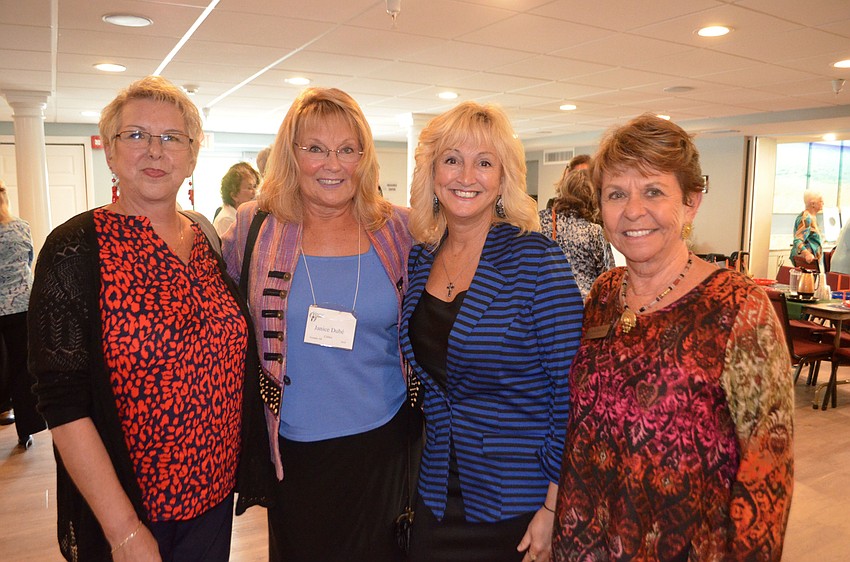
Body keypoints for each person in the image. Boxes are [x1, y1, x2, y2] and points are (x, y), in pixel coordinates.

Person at [28, 75, 269, 561]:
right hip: (131, 507)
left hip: (213, 497)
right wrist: (125, 531)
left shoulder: (205, 241)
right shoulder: (76, 247)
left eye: (171, 138)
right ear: (110, 152)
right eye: (136, 135)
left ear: (192, 156)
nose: (155, 151)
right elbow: (62, 400)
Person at [551, 113, 794, 561]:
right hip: (582, 540)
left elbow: (768, 468)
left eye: (654, 191)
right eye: (617, 194)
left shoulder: (737, 308)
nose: (633, 211)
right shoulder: (604, 294)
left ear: (691, 203)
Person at [222, 86, 415, 562]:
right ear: (292, 155)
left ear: (364, 159)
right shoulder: (255, 227)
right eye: (315, 149)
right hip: (292, 449)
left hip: (385, 444)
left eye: (347, 150)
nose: (333, 164)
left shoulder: (400, 230)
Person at [399, 101, 584, 562]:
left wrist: (552, 505)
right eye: (452, 159)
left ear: (503, 178)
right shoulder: (421, 257)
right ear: (432, 173)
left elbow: (571, 392)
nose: (466, 176)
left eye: (484, 162)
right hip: (436, 490)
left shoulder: (537, 261)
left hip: (517, 501)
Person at [0, 180, 46, 449]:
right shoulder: (21, 226)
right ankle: (25, 430)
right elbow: (28, 261)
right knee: (21, 369)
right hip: (21, 306)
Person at [539, 169, 614, 299]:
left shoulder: (540, 220)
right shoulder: (593, 231)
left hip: (546, 301)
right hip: (583, 306)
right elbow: (608, 277)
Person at [213, 162, 260, 236]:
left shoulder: (245, 216)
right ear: (234, 195)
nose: (254, 192)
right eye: (249, 188)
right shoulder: (226, 220)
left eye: (254, 186)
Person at [790, 190, 823, 268]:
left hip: (810, 262)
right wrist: (807, 254)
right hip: (807, 263)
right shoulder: (806, 218)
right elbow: (797, 240)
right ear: (813, 204)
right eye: (820, 201)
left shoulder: (811, 217)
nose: (823, 203)